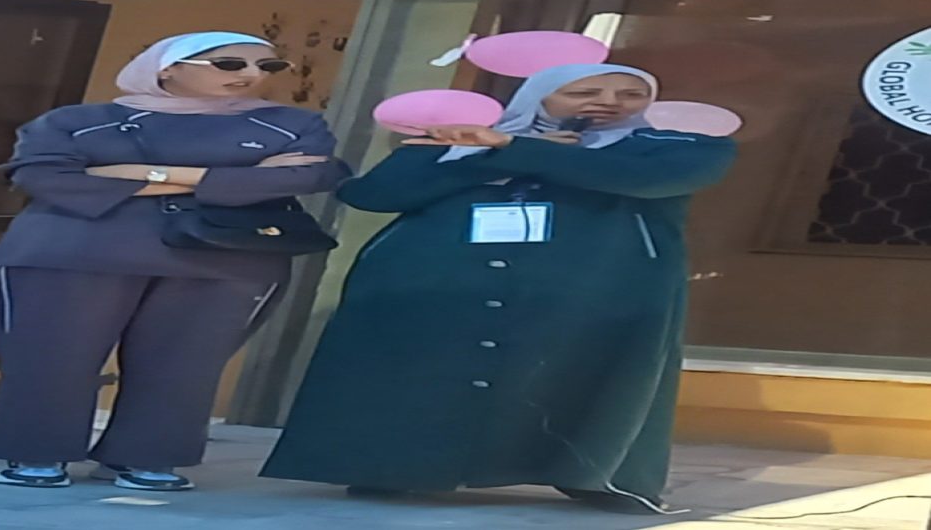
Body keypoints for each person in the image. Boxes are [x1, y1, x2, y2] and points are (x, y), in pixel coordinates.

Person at [261, 64, 737, 513]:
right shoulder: (457, 142)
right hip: (435, 280)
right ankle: (390, 468)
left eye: (632, 94)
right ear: (536, 97)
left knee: (591, 375)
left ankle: (593, 478)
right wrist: (489, 155)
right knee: (423, 374)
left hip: (595, 287)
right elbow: (373, 195)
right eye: (584, 92)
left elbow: (650, 180)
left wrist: (518, 149)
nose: (610, 101)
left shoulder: (676, 145)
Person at [0, 31, 349, 491]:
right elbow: (45, 177)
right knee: (51, 357)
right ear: (168, 68)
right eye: (230, 64)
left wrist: (145, 175)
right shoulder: (76, 121)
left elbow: (310, 176)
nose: (252, 74)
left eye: (268, 66)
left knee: (184, 365)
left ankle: (146, 457)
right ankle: (36, 454)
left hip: (225, 260)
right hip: (74, 254)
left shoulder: (291, 124)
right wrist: (225, 181)